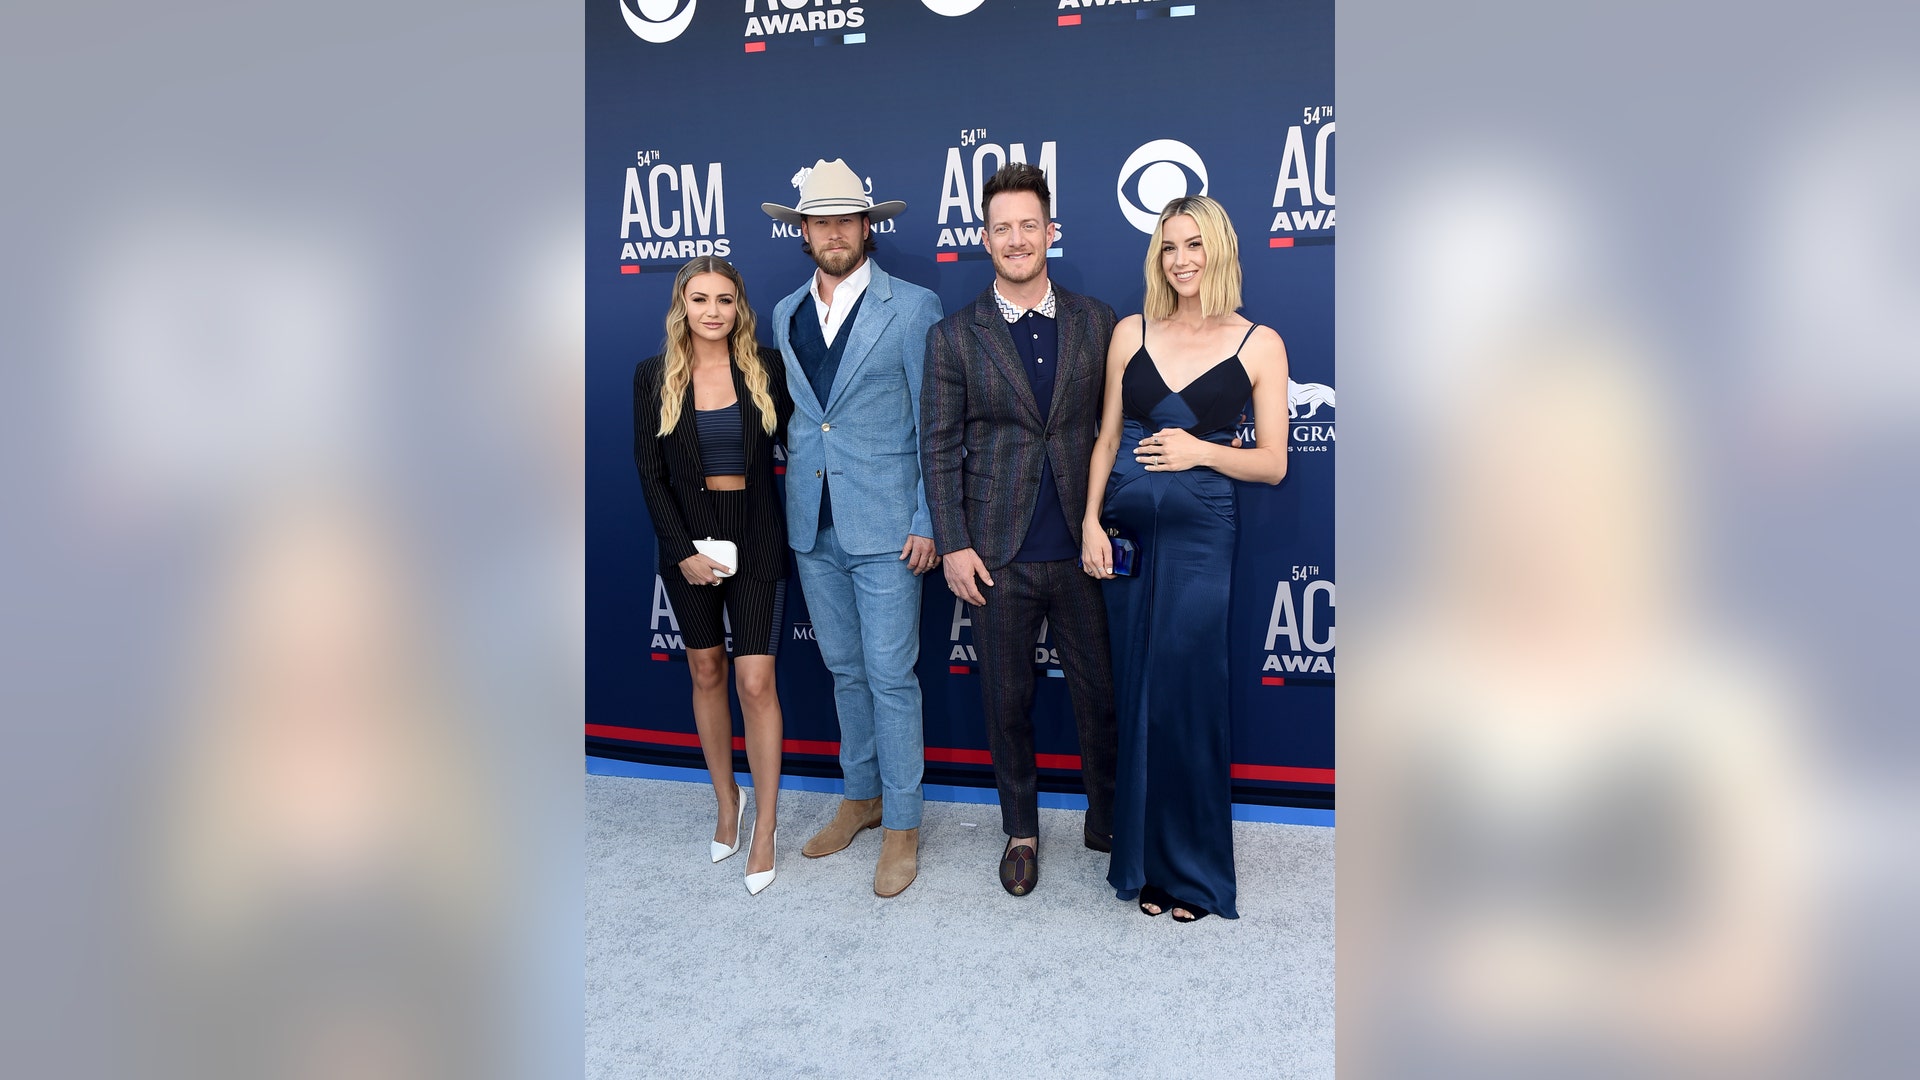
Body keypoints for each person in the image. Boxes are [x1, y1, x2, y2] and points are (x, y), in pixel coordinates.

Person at [1082, 195, 1289, 922]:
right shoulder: (1129, 331)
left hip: (1204, 534)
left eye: (1194, 244)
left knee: (1190, 694)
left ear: (1220, 250)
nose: (1182, 259)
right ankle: (1141, 862)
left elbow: (1272, 465)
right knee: (1138, 692)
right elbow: (1107, 438)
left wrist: (1202, 450)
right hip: (1128, 539)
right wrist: (1088, 523)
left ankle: (1193, 873)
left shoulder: (1258, 342)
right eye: (1169, 246)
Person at [921, 162, 1119, 897]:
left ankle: (1105, 817)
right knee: (1006, 704)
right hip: (995, 556)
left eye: (1028, 225)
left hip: (1081, 548)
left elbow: (1112, 428)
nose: (1015, 238)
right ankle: (1022, 830)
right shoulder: (954, 336)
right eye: (1001, 227)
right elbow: (937, 445)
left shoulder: (1098, 322)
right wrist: (954, 542)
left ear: (1050, 233)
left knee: (1099, 695)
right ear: (984, 236)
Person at [762, 159, 944, 898]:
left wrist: (928, 517)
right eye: (819, 221)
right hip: (813, 524)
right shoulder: (783, 313)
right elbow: (811, 418)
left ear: (867, 227)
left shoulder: (914, 306)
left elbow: (934, 421)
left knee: (892, 678)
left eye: (847, 219)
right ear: (801, 232)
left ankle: (903, 824)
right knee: (845, 670)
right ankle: (861, 797)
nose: (833, 232)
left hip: (890, 526)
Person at [632, 256, 793, 896]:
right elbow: (650, 472)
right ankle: (728, 802)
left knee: (756, 681)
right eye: (699, 300)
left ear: (739, 308)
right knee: (705, 669)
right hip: (688, 544)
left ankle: (767, 825)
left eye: (724, 300)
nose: (712, 312)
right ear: (682, 306)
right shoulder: (652, 377)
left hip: (755, 536)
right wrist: (681, 549)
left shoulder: (767, 368)